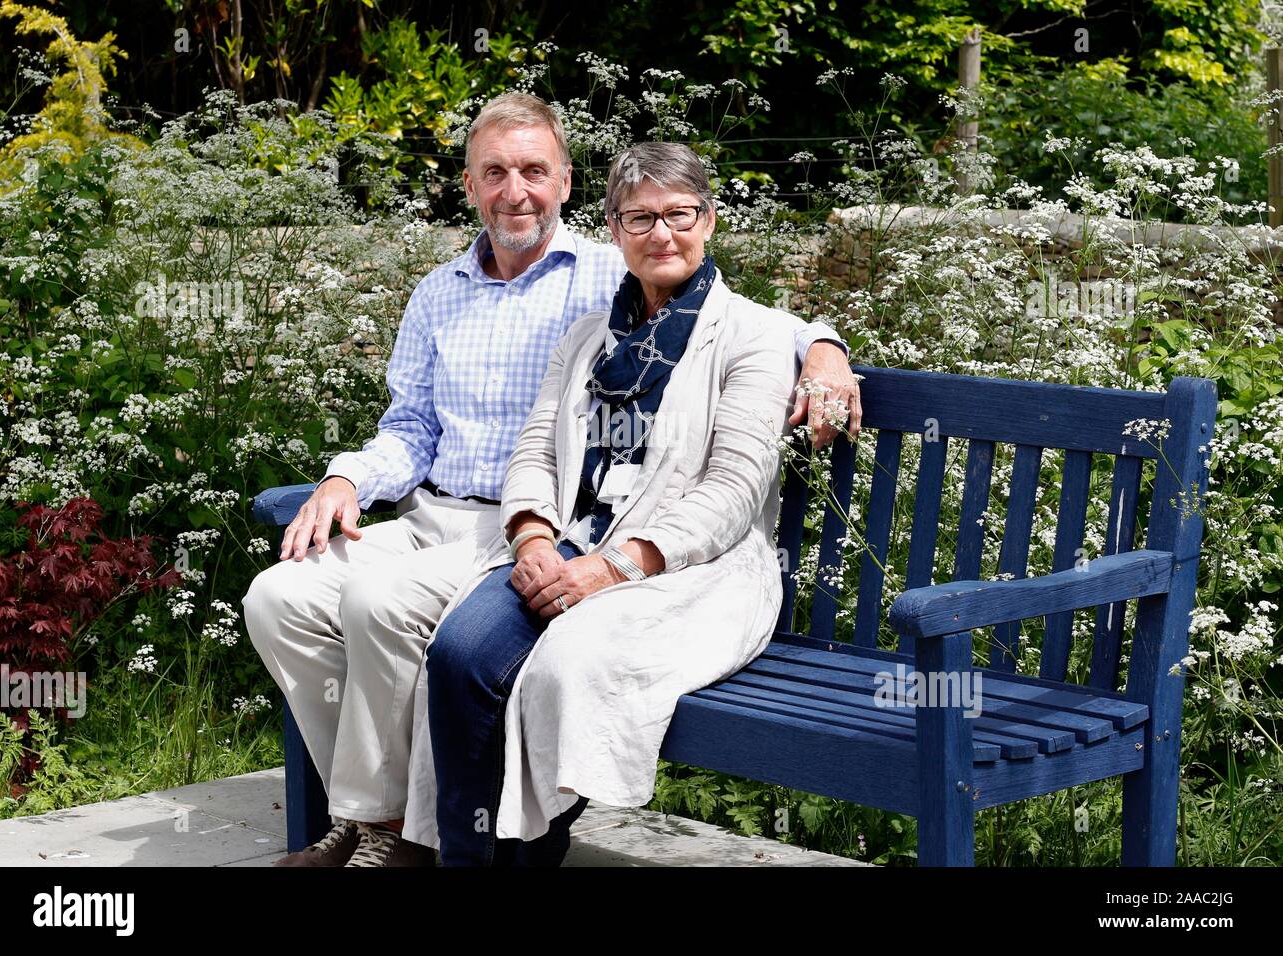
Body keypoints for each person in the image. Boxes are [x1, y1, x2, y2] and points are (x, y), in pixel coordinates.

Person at [243, 93, 861, 867]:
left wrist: (826, 346)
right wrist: (344, 478)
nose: (516, 191)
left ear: (566, 183)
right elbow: (411, 430)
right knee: (278, 598)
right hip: (453, 515)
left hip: (526, 531)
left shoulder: (609, 272)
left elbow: (754, 323)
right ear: (469, 187)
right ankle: (379, 816)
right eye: (494, 173)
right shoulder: (450, 295)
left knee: (386, 609)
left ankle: (392, 835)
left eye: (534, 170)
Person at [404, 141, 814, 866]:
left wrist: (615, 566)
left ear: (710, 220)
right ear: (615, 230)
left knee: (562, 664)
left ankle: (529, 855)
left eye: (679, 214)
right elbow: (534, 450)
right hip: (567, 542)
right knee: (461, 652)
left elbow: (733, 490)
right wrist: (532, 539)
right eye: (639, 218)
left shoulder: (752, 336)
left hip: (688, 567)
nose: (662, 234)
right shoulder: (590, 336)